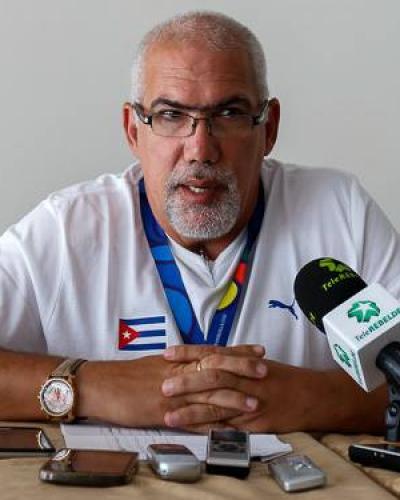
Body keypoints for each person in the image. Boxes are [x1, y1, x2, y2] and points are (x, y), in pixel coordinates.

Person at [0, 11, 399, 434]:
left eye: (228, 113)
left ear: (269, 128)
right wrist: (93, 386)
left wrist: (318, 400)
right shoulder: (65, 230)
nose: (200, 149)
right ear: (133, 131)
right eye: (171, 115)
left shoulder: (340, 211)